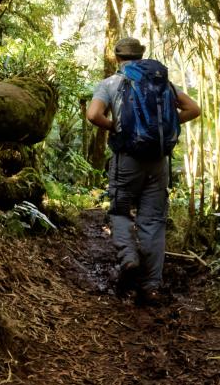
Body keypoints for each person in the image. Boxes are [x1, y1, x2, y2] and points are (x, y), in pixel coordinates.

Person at [85, 36, 201, 307]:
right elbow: (194, 109)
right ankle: (151, 287)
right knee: (153, 221)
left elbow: (93, 115)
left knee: (120, 211)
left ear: (117, 58)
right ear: (142, 56)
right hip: (159, 161)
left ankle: (128, 259)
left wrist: (115, 126)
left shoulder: (111, 83)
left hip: (127, 160)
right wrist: (169, 124)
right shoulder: (162, 83)